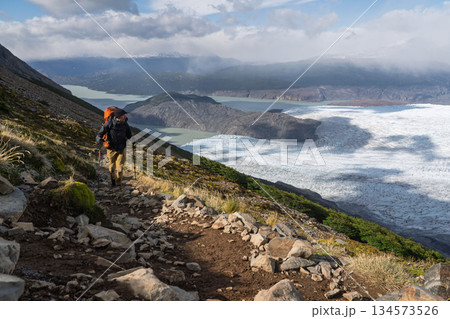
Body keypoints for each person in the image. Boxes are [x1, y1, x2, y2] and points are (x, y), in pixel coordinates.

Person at [96, 108, 132, 186]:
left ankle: (118, 183)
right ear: (118, 117)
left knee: (119, 168)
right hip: (111, 149)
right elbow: (99, 134)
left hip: (121, 149)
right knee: (112, 167)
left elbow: (129, 135)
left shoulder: (125, 124)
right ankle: (113, 181)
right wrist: (99, 140)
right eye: (123, 115)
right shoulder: (109, 123)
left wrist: (131, 139)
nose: (125, 117)